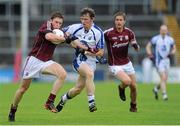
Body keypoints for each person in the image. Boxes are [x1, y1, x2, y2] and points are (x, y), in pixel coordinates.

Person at [8, 11, 88, 122]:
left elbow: (72, 41)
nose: (58, 25)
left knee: (62, 74)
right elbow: (50, 37)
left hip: (46, 62)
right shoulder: (46, 26)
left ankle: (49, 102)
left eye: (60, 23)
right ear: (51, 21)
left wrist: (84, 48)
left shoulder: (59, 32)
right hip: (34, 60)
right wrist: (66, 39)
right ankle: (13, 109)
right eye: (56, 22)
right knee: (23, 89)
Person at [56, 7, 105, 112]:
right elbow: (60, 32)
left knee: (78, 89)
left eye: (86, 19)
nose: (83, 21)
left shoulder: (98, 32)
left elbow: (101, 52)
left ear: (92, 19)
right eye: (82, 19)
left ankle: (63, 99)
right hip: (79, 60)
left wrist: (89, 52)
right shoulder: (75, 27)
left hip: (91, 62)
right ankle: (91, 103)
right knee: (90, 74)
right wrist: (67, 38)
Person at [104, 11, 140, 112]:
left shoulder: (129, 32)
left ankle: (133, 105)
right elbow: (98, 38)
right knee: (127, 81)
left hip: (127, 63)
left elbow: (134, 43)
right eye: (117, 20)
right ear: (114, 21)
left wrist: (136, 47)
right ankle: (121, 88)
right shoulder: (108, 33)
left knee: (134, 87)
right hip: (114, 64)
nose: (118, 22)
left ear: (124, 21)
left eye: (120, 20)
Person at [146, 24, 176, 100]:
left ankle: (156, 89)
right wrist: (149, 54)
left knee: (165, 79)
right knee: (163, 77)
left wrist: (172, 52)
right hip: (158, 61)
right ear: (160, 30)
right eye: (162, 30)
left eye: (165, 30)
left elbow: (174, 49)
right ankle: (164, 94)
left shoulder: (170, 39)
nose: (163, 31)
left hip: (167, 61)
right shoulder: (155, 39)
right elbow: (148, 46)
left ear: (167, 31)